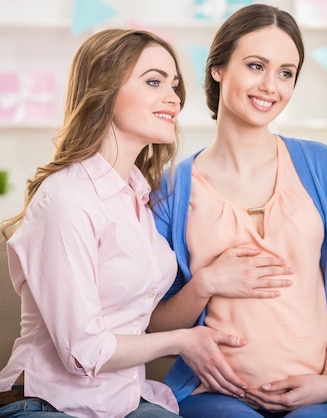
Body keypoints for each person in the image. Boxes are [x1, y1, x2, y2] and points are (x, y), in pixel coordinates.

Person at [148, 4, 327, 418]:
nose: (270, 86)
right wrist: (207, 283)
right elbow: (151, 321)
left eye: (286, 73)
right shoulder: (171, 188)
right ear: (218, 68)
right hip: (214, 394)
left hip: (319, 391)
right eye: (256, 66)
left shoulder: (320, 165)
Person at [0, 28, 239, 418]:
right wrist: (184, 341)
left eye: (175, 85)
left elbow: (143, 314)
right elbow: (83, 351)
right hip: (48, 404)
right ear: (104, 89)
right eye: (154, 81)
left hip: (123, 402)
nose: (173, 98)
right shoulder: (66, 199)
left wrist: (208, 283)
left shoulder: (139, 198)